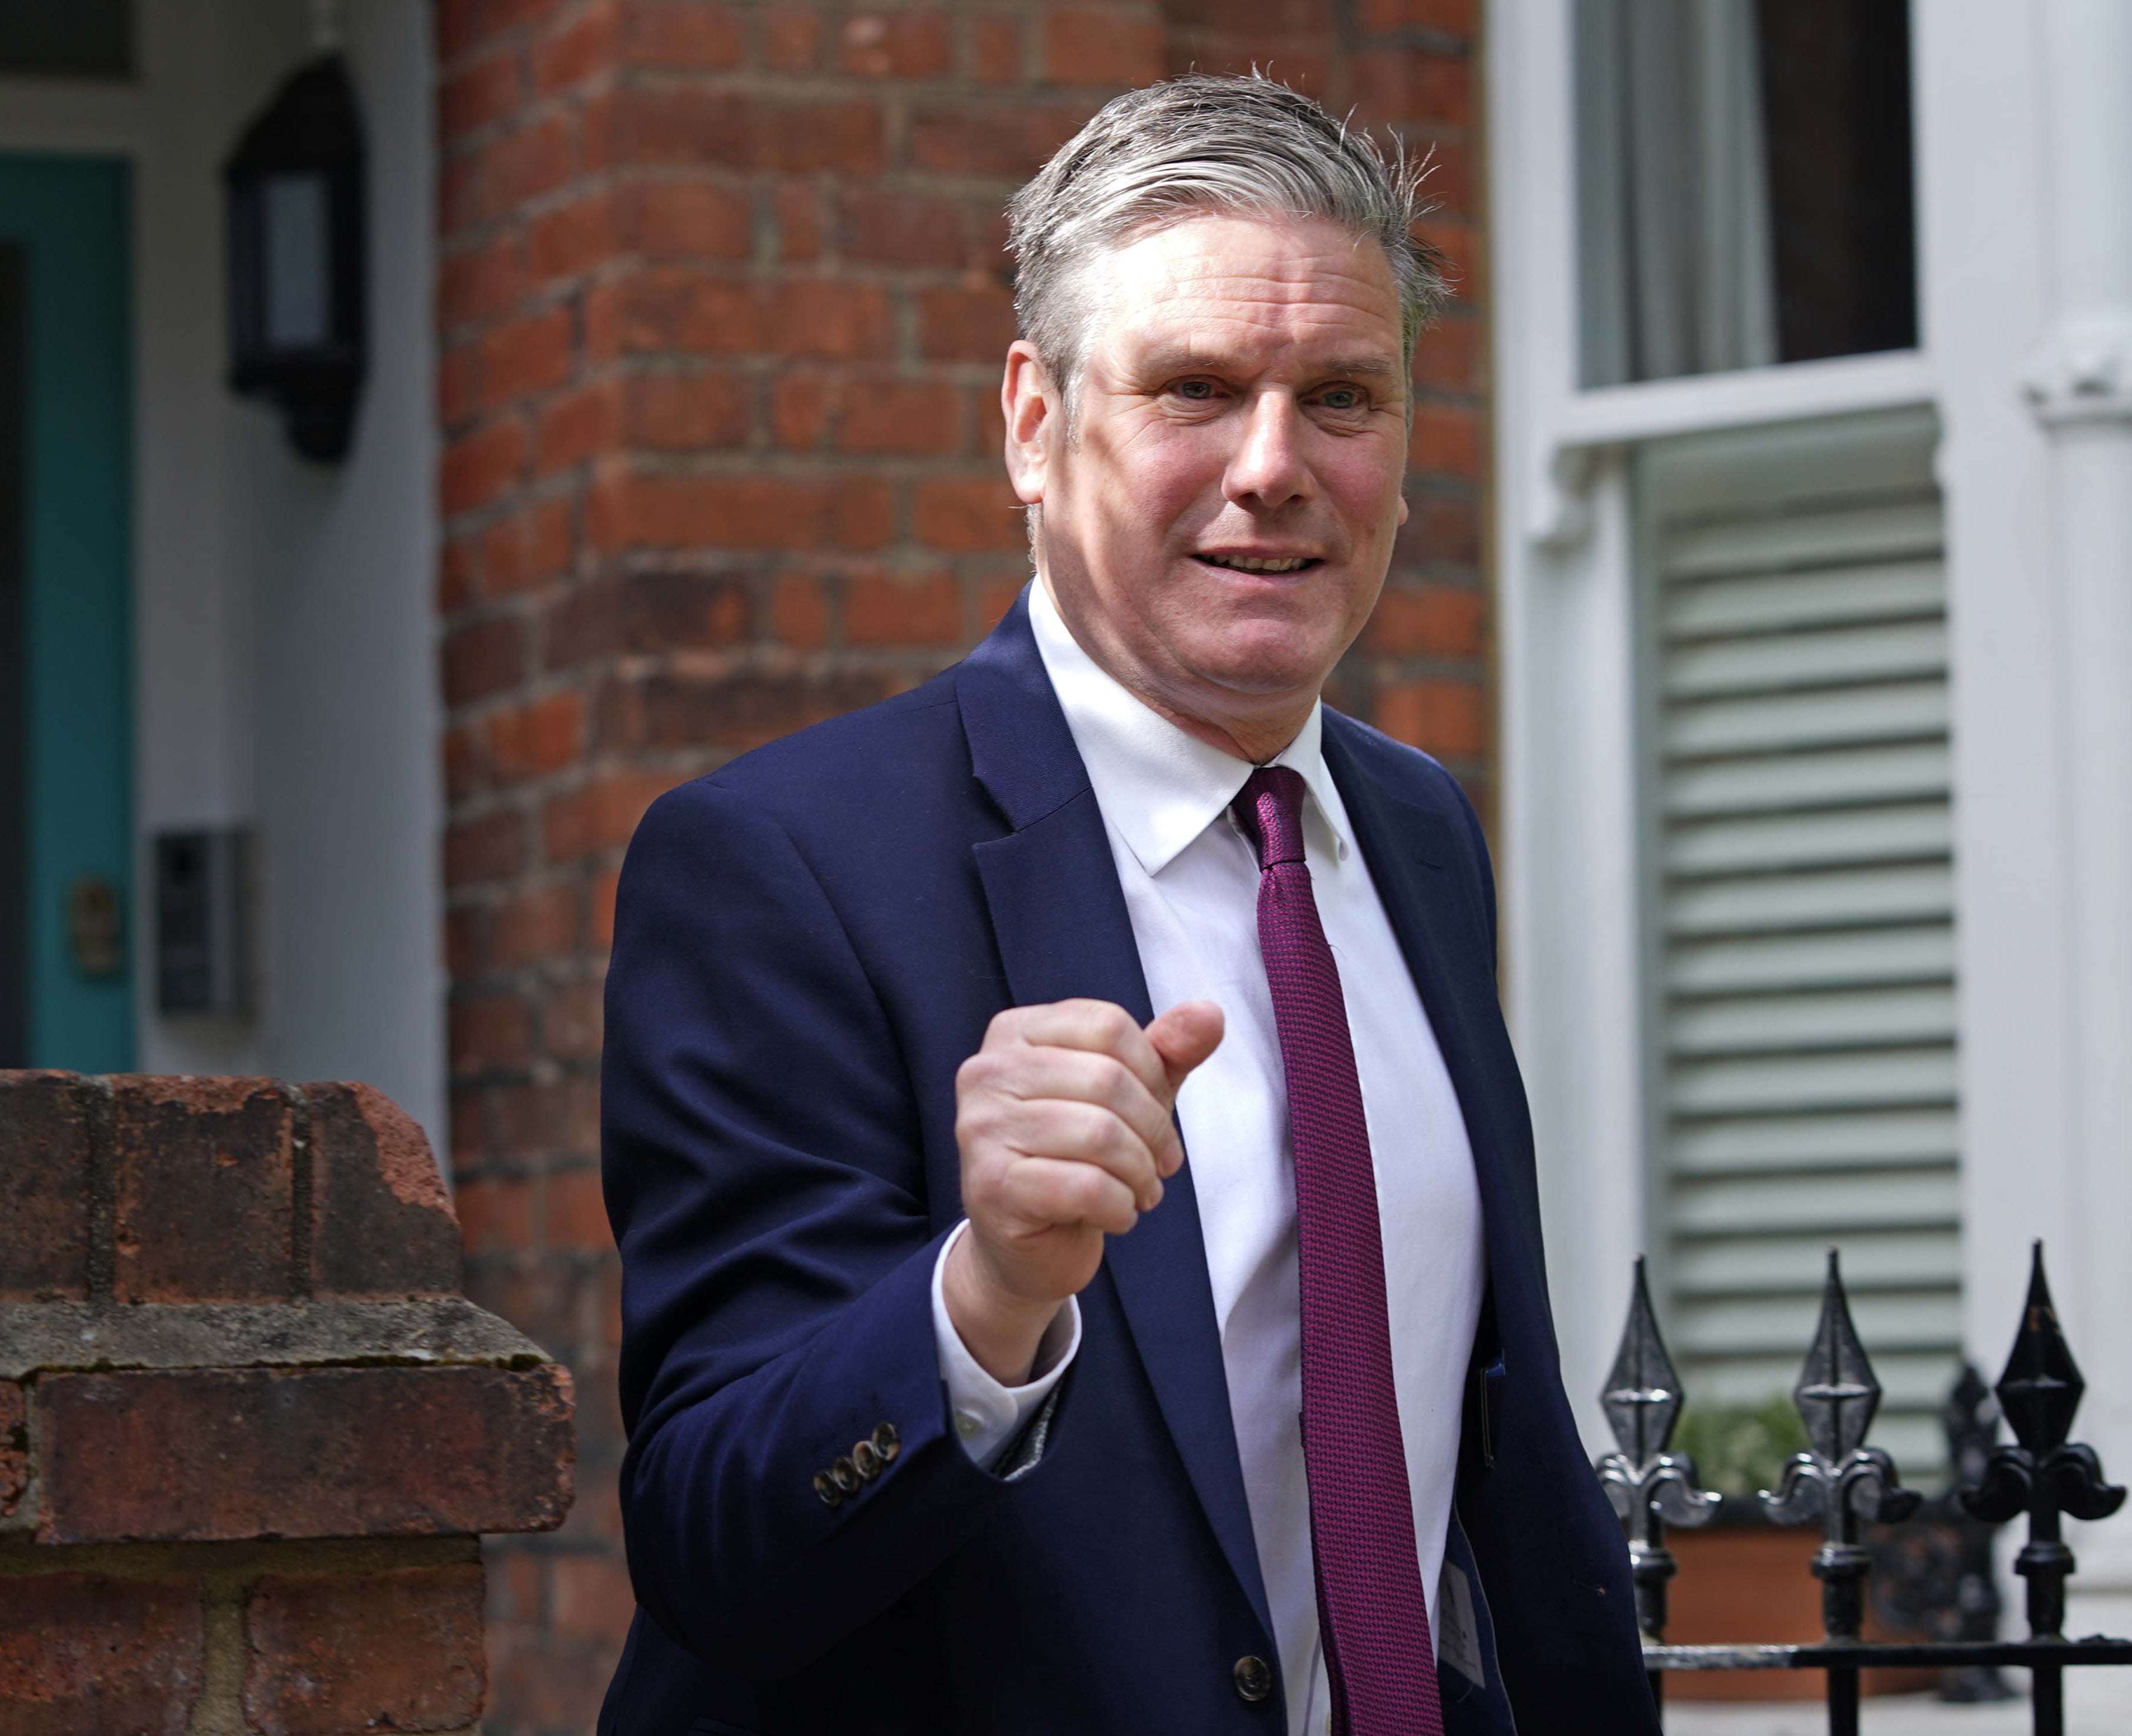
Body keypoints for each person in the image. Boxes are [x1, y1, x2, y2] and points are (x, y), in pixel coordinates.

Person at [597, 72, 1655, 1736]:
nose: (1274, 469)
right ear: (1034, 423)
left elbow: (1487, 1455)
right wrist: (989, 1294)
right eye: (1195, 390)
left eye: (1345, 398)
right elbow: (714, 1545)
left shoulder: (1416, 829)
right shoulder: (785, 865)